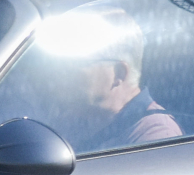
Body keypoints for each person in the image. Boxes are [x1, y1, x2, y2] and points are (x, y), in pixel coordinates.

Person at [61, 9, 181, 152]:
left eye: (78, 63)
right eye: (64, 64)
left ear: (118, 74)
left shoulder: (157, 137)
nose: (64, 72)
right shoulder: (74, 120)